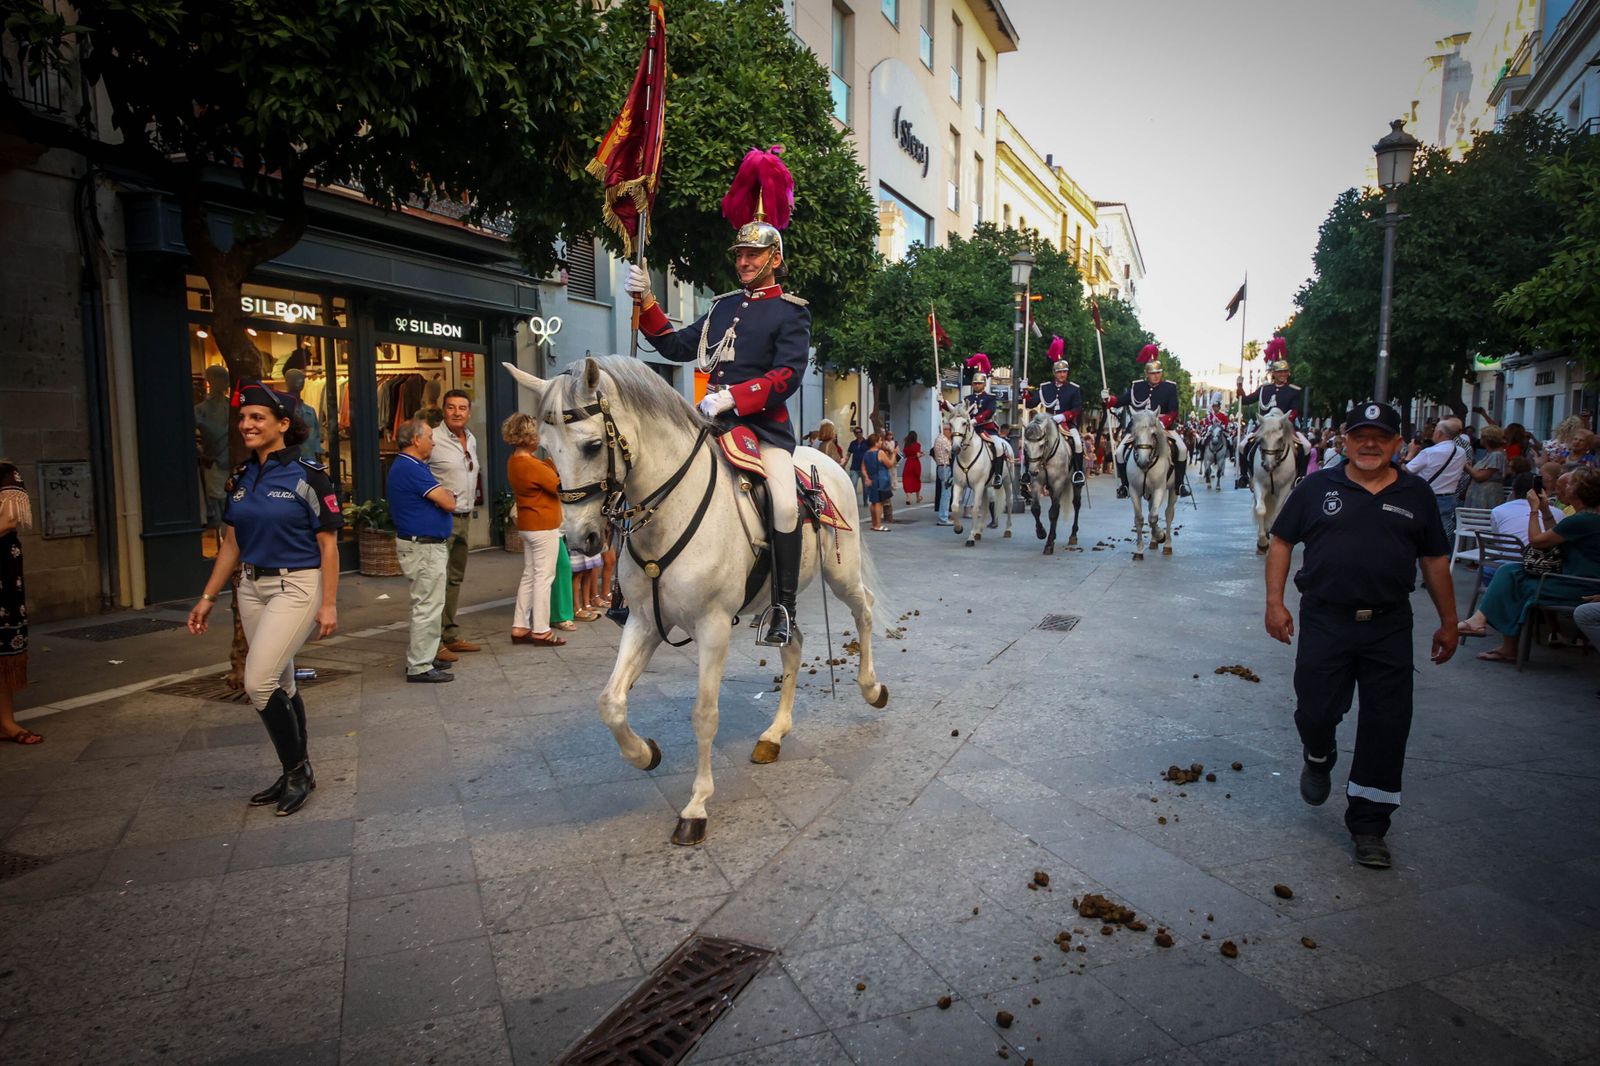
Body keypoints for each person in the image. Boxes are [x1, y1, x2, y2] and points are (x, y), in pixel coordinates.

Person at [626, 148, 809, 645]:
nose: (744, 262)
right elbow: (674, 345)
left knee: (786, 505)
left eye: (753, 255)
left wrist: (735, 398)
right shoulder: (723, 306)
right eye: (740, 255)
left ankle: (783, 609)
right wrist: (646, 300)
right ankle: (635, 593)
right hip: (709, 426)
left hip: (763, 431)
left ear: (775, 259)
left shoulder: (792, 312)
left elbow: (787, 376)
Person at [1263, 400, 1456, 869]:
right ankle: (1319, 749)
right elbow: (1283, 541)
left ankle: (1369, 824)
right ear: (1345, 441)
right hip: (1326, 620)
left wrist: (1449, 621)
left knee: (1388, 724)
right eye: (1360, 435)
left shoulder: (1417, 495)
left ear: (1397, 444)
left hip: (1389, 624)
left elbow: (1433, 561)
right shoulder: (1315, 487)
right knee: (1315, 709)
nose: (1369, 444)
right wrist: (1274, 602)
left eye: (1381, 436)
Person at [187, 382, 342, 814]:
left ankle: (297, 772)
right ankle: (298, 768)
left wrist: (328, 603)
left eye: (257, 417)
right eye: (243, 418)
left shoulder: (309, 475)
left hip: (297, 584)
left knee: (258, 682)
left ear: (283, 424)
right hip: (251, 588)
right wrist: (208, 597)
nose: (246, 424)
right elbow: (231, 544)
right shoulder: (241, 475)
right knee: (282, 682)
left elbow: (328, 545)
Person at [1457, 467, 1600, 660]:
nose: (1561, 488)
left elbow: (1537, 541)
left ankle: (1489, 630)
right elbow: (1557, 534)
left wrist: (1534, 510)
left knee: (1512, 579)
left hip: (1576, 585)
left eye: (1569, 484)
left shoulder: (1581, 520)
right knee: (1510, 570)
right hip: (1580, 581)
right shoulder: (1586, 519)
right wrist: (1546, 510)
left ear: (1578, 490)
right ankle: (1483, 624)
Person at [387, 417, 457, 684]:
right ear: (416, 440)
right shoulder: (411, 468)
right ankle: (419, 665)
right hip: (424, 547)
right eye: (429, 436)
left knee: (429, 603)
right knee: (427, 605)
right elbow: (447, 501)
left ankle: (425, 656)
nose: (433, 441)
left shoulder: (412, 465)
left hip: (423, 545)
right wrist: (448, 497)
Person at [503, 412, 564, 647]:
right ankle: (541, 629)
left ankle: (520, 625)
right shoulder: (531, 464)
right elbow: (557, 484)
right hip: (543, 525)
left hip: (529, 525)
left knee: (530, 575)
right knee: (543, 578)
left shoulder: (514, 461)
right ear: (529, 437)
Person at [428, 389, 481, 663]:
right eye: (451, 407)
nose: (457, 412)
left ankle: (449, 633)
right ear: (443, 410)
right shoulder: (432, 439)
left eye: (462, 408)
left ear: (469, 412)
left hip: (465, 517)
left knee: (455, 578)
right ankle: (433, 642)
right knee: (438, 580)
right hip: (440, 517)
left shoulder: (470, 438)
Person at [1104, 348, 1190, 499]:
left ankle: (1180, 484)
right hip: (1138, 428)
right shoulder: (1137, 386)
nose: (1155, 376)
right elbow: (1121, 401)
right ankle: (1124, 485)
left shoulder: (1169, 387)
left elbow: (1174, 411)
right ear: (1147, 374)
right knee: (1119, 452)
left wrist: (1162, 421)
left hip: (1163, 426)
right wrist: (1108, 399)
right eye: (1152, 373)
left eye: (1158, 373)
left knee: (1182, 449)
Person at [1235, 335, 1309, 487]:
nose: (1283, 375)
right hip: (1264, 426)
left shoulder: (1293, 391)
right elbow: (1247, 400)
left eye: (1285, 372)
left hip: (1285, 425)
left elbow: (1295, 410)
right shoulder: (1265, 389)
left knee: (1306, 446)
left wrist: (1286, 420)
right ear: (1273, 374)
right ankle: (1244, 475)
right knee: (1243, 445)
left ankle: (1300, 477)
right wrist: (1240, 387)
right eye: (1280, 372)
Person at [0, 463, 38, 744]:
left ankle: (6, 722)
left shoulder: (5, 472)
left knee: (2, 652)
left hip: (1, 571)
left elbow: (9, 520)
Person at [1405, 416, 1470, 543]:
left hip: (1427, 497)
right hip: (1448, 497)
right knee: (1442, 533)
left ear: (1439, 433)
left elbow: (1407, 471)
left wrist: (1410, 454)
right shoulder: (1461, 452)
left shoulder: (1429, 452)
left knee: (1421, 534)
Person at [1036, 338, 1086, 474]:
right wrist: (1023, 391)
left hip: (1067, 425)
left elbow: (1077, 408)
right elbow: (1031, 402)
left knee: (1077, 443)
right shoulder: (1045, 388)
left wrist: (1063, 416)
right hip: (1047, 424)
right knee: (1032, 441)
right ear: (1054, 373)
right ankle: (1029, 474)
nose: (1062, 374)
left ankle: (1078, 473)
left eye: (1064, 371)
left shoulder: (1073, 389)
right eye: (1059, 372)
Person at [961, 371, 1011, 489]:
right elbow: (958, 409)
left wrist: (976, 420)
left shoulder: (990, 398)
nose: (977, 385)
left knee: (998, 446)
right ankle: (954, 475)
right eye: (975, 383)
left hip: (986, 429)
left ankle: (998, 475)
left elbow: (989, 412)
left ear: (984, 384)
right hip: (970, 431)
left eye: (979, 383)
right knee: (958, 446)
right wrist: (943, 403)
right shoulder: (967, 399)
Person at [1462, 426, 1508, 510]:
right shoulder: (1490, 454)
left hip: (1487, 496)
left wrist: (1465, 465)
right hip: (1479, 494)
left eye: (1482, 436)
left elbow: (1480, 476)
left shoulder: (1496, 455)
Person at [932, 423, 954, 526]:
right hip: (945, 467)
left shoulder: (939, 439)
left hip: (942, 467)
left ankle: (943, 515)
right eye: (950, 430)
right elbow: (953, 452)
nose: (951, 433)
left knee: (945, 493)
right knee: (946, 494)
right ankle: (943, 518)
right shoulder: (943, 440)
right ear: (945, 430)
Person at [846, 425, 870, 504]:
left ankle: (865, 501)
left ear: (862, 433)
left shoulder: (867, 443)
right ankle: (854, 503)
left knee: (865, 488)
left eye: (860, 432)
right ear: (854, 434)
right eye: (857, 432)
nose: (858, 434)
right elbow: (848, 454)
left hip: (865, 468)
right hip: (854, 467)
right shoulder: (852, 443)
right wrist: (844, 464)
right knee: (853, 485)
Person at [901, 430, 923, 504]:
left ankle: (908, 498)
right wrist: (921, 454)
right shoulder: (918, 445)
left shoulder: (906, 445)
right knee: (916, 479)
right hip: (916, 463)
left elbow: (905, 455)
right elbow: (917, 455)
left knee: (907, 479)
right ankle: (918, 497)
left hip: (908, 463)